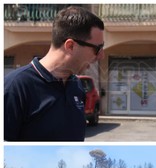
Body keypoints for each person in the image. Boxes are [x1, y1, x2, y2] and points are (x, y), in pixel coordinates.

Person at [5, 6, 105, 141]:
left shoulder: (76, 86)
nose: (101, 56)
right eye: (98, 49)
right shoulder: (15, 88)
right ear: (70, 46)